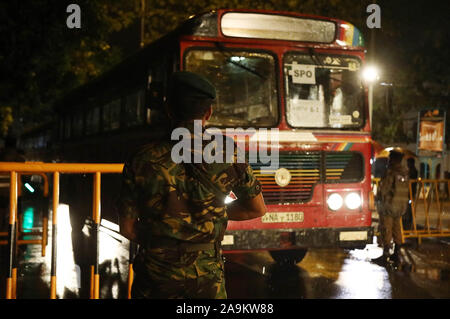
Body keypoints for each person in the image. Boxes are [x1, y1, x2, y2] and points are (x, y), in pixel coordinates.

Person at [117, 71, 266, 298]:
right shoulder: (227, 153)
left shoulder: (141, 158)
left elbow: (127, 227)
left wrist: (164, 233)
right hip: (207, 280)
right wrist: (207, 211)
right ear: (208, 112)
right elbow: (257, 208)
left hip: (156, 278)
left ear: (168, 110)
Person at [372, 150, 409, 266]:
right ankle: (397, 254)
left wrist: (377, 197)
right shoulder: (404, 173)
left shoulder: (391, 172)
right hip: (399, 206)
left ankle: (386, 254)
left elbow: (384, 190)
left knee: (386, 228)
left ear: (393, 160)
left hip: (388, 206)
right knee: (397, 229)